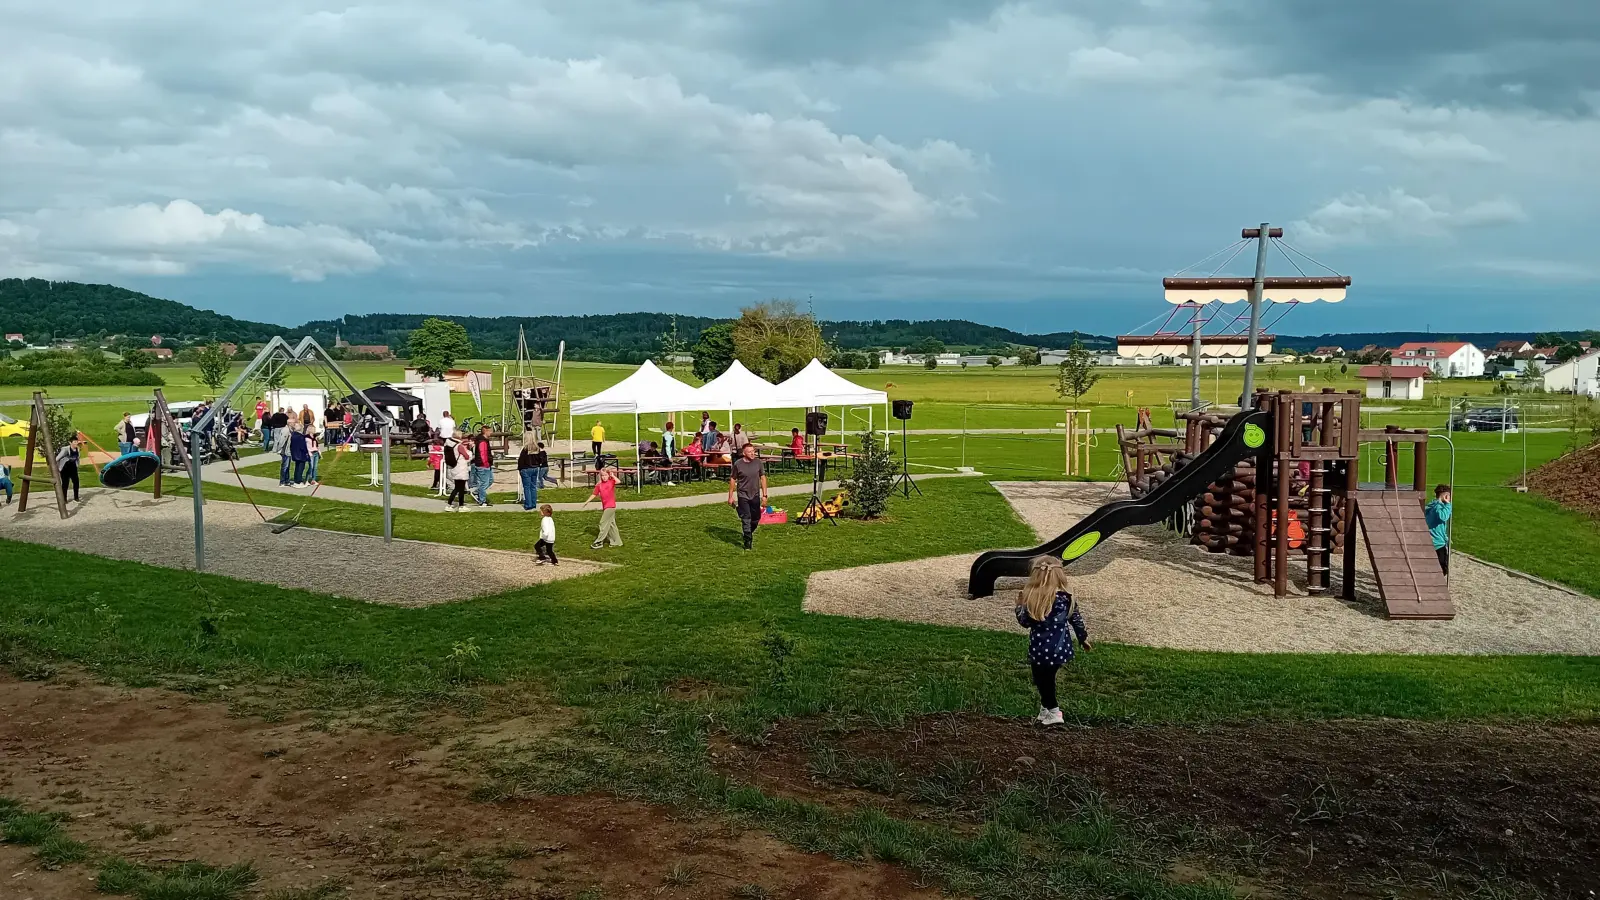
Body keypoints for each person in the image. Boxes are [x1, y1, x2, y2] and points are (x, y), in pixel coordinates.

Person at [1014, 555, 1091, 726]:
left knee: (1042, 680)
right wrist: (1083, 638)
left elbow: (1024, 622)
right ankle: (1045, 710)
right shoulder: (1066, 597)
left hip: (1040, 650)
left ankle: (1054, 712)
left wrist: (1019, 606)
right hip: (1060, 649)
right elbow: (1076, 619)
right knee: (1047, 679)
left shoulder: (1035, 599)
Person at [728, 442, 769, 550]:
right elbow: (733, 479)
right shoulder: (738, 464)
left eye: (753, 451)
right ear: (744, 453)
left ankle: (748, 531)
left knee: (755, 519)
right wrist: (730, 496)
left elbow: (763, 478)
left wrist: (765, 495)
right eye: (750, 452)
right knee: (746, 518)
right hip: (743, 495)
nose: (752, 453)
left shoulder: (758, 463)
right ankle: (748, 542)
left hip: (755, 495)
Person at [581, 466, 623, 548]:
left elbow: (619, 481)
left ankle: (599, 542)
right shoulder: (599, 485)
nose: (604, 477)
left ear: (608, 475)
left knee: (603, 523)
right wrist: (587, 502)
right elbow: (594, 494)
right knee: (611, 525)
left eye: (605, 475)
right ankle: (617, 542)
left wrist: (613, 476)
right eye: (602, 475)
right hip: (605, 506)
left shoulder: (611, 482)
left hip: (611, 506)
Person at [1426, 483, 1453, 574]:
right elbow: (1443, 517)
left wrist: (1445, 537)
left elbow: (1440, 525)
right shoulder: (1438, 507)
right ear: (1446, 496)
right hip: (1437, 543)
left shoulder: (1432, 505)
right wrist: (1448, 505)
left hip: (1434, 539)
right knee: (1442, 569)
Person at [446, 432, 471, 511]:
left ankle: (450, 504)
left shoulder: (448, 445)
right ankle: (461, 506)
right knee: (460, 489)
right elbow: (467, 456)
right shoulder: (459, 446)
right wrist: (468, 451)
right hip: (461, 467)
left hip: (454, 467)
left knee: (457, 488)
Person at [517, 433, 543, 511]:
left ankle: (528, 504)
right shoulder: (537, 448)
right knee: (533, 487)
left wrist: (520, 469)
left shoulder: (525, 449)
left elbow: (521, 460)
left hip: (526, 469)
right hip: (535, 468)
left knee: (527, 487)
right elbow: (540, 459)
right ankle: (533, 503)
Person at [471, 424, 495, 506]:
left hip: (486, 464)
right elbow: (483, 454)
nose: (491, 433)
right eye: (490, 431)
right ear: (485, 431)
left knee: (490, 480)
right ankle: (482, 501)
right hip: (483, 465)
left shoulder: (485, 440)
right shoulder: (482, 441)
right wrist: (486, 463)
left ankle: (477, 492)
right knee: (484, 483)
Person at [56, 437, 83, 502]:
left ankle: (76, 497)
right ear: (70, 442)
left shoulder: (77, 449)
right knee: (65, 484)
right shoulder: (65, 450)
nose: (76, 443)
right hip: (65, 468)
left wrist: (77, 465)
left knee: (76, 482)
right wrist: (58, 468)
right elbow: (57, 459)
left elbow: (77, 458)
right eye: (74, 442)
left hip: (73, 468)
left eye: (77, 442)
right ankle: (64, 499)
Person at [272, 418, 294, 485]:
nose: (294, 424)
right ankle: (282, 482)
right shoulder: (286, 430)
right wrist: (278, 449)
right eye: (293, 423)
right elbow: (282, 441)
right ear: (290, 423)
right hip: (285, 451)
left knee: (287, 467)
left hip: (288, 451)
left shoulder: (290, 430)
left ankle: (287, 481)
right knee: (285, 467)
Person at [288, 422, 310, 486]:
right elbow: (303, 446)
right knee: (300, 468)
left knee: (297, 467)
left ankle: (296, 479)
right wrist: (307, 452)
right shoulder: (300, 436)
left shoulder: (293, 435)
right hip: (301, 454)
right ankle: (298, 481)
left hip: (295, 453)